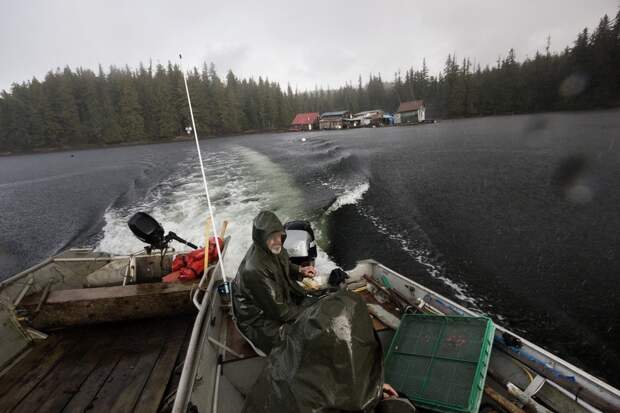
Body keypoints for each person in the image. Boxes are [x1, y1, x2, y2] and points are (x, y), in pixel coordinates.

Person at [232, 210, 316, 355]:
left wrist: (300, 271)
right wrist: (312, 314)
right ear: (260, 239)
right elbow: (281, 312)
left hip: (273, 302)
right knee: (299, 343)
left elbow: (284, 264)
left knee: (313, 306)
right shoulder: (254, 270)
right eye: (271, 237)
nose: (277, 240)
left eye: (279, 235)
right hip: (257, 319)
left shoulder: (275, 247)